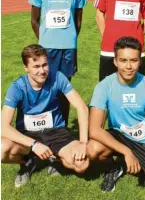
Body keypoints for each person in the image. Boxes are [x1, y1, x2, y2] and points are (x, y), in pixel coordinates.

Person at [87, 37, 145, 199]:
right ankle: (114, 168)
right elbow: (94, 130)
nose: (128, 66)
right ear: (115, 61)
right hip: (121, 137)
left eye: (133, 60)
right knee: (92, 149)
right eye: (123, 60)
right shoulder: (104, 86)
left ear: (139, 61)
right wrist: (127, 151)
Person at [1, 44, 89, 187]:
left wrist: (83, 143)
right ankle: (28, 163)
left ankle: (54, 160)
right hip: (28, 135)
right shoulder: (17, 87)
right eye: (36, 66)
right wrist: (34, 145)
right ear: (26, 68)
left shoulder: (57, 77)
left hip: (56, 132)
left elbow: (82, 107)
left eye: (44, 65)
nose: (42, 71)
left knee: (82, 164)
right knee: (1, 149)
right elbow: (3, 127)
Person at [29, 0, 87, 125]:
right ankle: (44, 126)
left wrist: (69, 39)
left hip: (68, 48)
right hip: (48, 47)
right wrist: (44, 40)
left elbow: (77, 22)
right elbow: (34, 20)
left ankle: (61, 128)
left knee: (64, 89)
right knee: (44, 87)